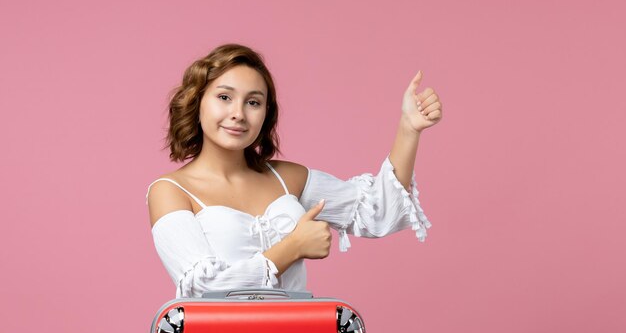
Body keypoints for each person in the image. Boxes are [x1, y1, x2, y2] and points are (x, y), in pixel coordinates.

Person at [146, 43, 442, 298]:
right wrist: (293, 248)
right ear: (198, 103)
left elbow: (379, 212)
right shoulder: (170, 191)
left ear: (266, 114)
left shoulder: (288, 179)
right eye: (224, 97)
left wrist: (408, 128)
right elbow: (202, 289)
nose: (238, 113)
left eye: (253, 102)